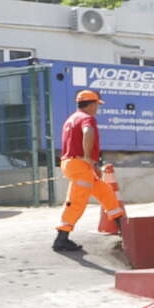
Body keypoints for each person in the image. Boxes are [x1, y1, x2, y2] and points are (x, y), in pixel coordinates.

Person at [54, 89, 125, 255]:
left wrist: (92, 166)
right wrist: (88, 157)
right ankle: (61, 239)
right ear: (92, 104)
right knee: (76, 201)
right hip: (78, 163)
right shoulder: (87, 119)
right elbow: (88, 133)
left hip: (74, 163)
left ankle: (121, 224)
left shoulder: (71, 119)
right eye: (97, 105)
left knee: (105, 191)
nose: (97, 109)